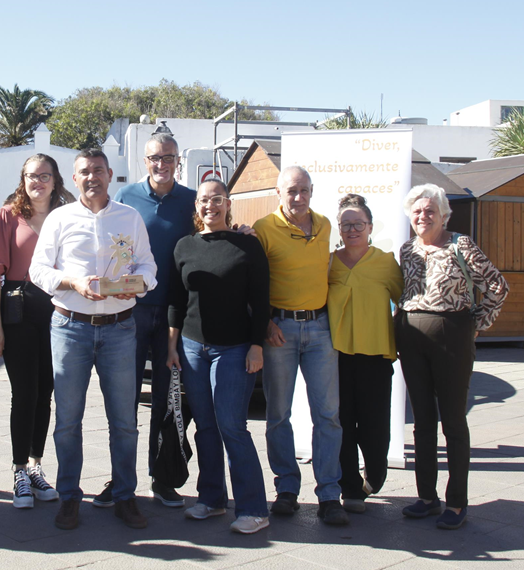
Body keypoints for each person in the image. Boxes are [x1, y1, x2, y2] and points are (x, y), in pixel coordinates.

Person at [29, 148, 158, 531]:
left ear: (109, 174)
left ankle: (125, 496)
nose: (91, 178)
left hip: (120, 328)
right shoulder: (59, 218)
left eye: (98, 171)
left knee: (124, 421)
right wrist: (72, 282)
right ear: (74, 177)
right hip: (71, 328)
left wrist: (138, 284)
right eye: (84, 172)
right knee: (68, 420)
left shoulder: (129, 218)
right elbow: (38, 269)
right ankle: (70, 498)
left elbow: (148, 265)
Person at [397, 183, 507, 529]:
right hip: (410, 339)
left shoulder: (461, 245)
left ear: (443, 215)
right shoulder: (407, 250)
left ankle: (456, 502)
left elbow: (498, 287)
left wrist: (476, 325)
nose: (423, 216)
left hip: (452, 339)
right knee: (422, 422)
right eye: (417, 210)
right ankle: (426, 497)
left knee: (453, 421)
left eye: (430, 210)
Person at [166, 179, 271, 534]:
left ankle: (254, 508)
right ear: (196, 207)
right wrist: (172, 345)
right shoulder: (184, 246)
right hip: (193, 348)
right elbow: (176, 302)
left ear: (228, 203)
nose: (210, 205)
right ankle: (210, 499)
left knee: (231, 426)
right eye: (203, 200)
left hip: (235, 348)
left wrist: (257, 346)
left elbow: (261, 300)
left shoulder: (247, 246)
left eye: (217, 199)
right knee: (206, 427)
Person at [253, 165, 349, 526]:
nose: (298, 197)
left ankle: (328, 494)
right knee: (278, 415)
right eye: (291, 191)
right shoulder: (264, 229)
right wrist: (264, 323)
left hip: (321, 328)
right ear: (278, 193)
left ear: (312, 191)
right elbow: (253, 282)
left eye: (304, 190)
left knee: (328, 414)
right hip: (280, 331)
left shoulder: (324, 225)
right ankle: (287, 489)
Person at [111, 131, 197, 508]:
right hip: (131, 312)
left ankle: (161, 479)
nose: (161, 164)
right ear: (144, 161)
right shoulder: (126, 198)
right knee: (124, 399)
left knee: (166, 400)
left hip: (175, 318)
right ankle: (120, 480)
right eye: (154, 158)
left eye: (168, 157)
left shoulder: (193, 202)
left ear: (178, 161)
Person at [0, 155, 67, 509]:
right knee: (24, 392)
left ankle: (35, 465)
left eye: (44, 176)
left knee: (45, 393)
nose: (38, 182)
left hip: (59, 312)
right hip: (18, 312)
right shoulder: (7, 216)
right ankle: (18, 469)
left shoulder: (67, 215)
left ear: (55, 180)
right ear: (23, 179)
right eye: (32, 176)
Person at [326, 193, 403, 515]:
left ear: (370, 227)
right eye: (346, 225)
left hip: (375, 355)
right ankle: (350, 488)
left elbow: (405, 301)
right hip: (336, 356)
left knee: (374, 426)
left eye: (358, 224)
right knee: (342, 424)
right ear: (339, 229)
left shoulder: (385, 262)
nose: (352, 230)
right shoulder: (328, 262)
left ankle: (375, 474)